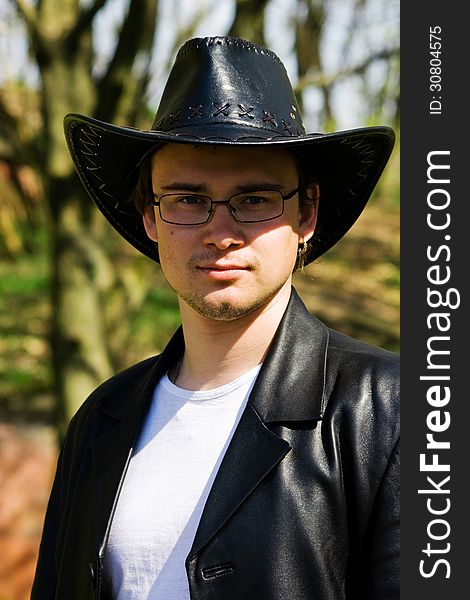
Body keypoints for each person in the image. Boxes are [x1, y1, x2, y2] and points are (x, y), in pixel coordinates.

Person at [31, 36, 399, 600]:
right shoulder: (100, 420)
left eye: (255, 199)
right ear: (150, 217)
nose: (221, 233)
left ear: (307, 214)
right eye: (186, 198)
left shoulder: (391, 410)